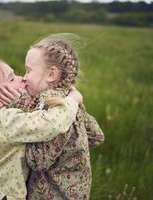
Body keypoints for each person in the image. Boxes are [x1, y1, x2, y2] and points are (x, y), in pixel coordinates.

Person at [0, 58, 83, 200]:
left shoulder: (3, 117)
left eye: (15, 74)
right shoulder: (6, 120)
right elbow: (48, 124)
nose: (22, 78)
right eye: (11, 79)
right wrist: (72, 101)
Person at [12, 34, 105, 199]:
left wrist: (20, 130)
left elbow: (38, 161)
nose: (24, 77)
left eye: (28, 70)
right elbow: (97, 136)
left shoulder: (52, 106)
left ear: (51, 74)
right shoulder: (71, 100)